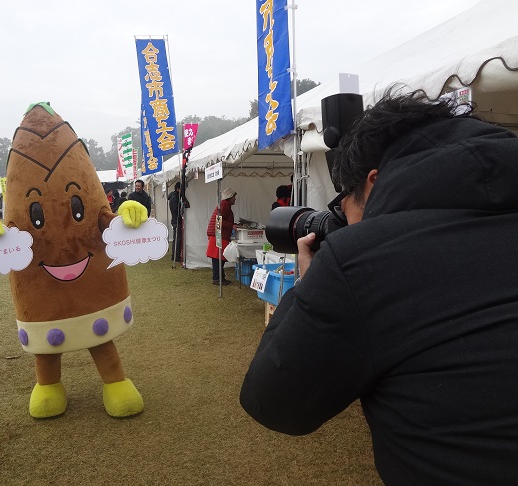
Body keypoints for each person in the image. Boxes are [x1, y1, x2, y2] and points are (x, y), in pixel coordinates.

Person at [240, 89, 518, 485]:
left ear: (372, 182)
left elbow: (272, 401)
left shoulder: (363, 258)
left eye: (344, 206)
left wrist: (308, 282)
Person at [205, 188, 236, 285]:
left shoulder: (223, 204)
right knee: (218, 258)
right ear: (230, 197)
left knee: (218, 258)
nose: (235, 199)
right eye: (234, 197)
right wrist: (232, 226)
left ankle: (219, 278)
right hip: (218, 234)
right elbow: (219, 220)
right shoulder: (225, 205)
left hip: (216, 233)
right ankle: (217, 279)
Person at [167, 182, 190, 263]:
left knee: (177, 238)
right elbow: (175, 209)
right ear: (178, 189)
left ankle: (175, 255)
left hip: (176, 219)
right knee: (177, 238)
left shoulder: (175, 196)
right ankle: (175, 256)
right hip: (176, 220)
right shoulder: (175, 197)